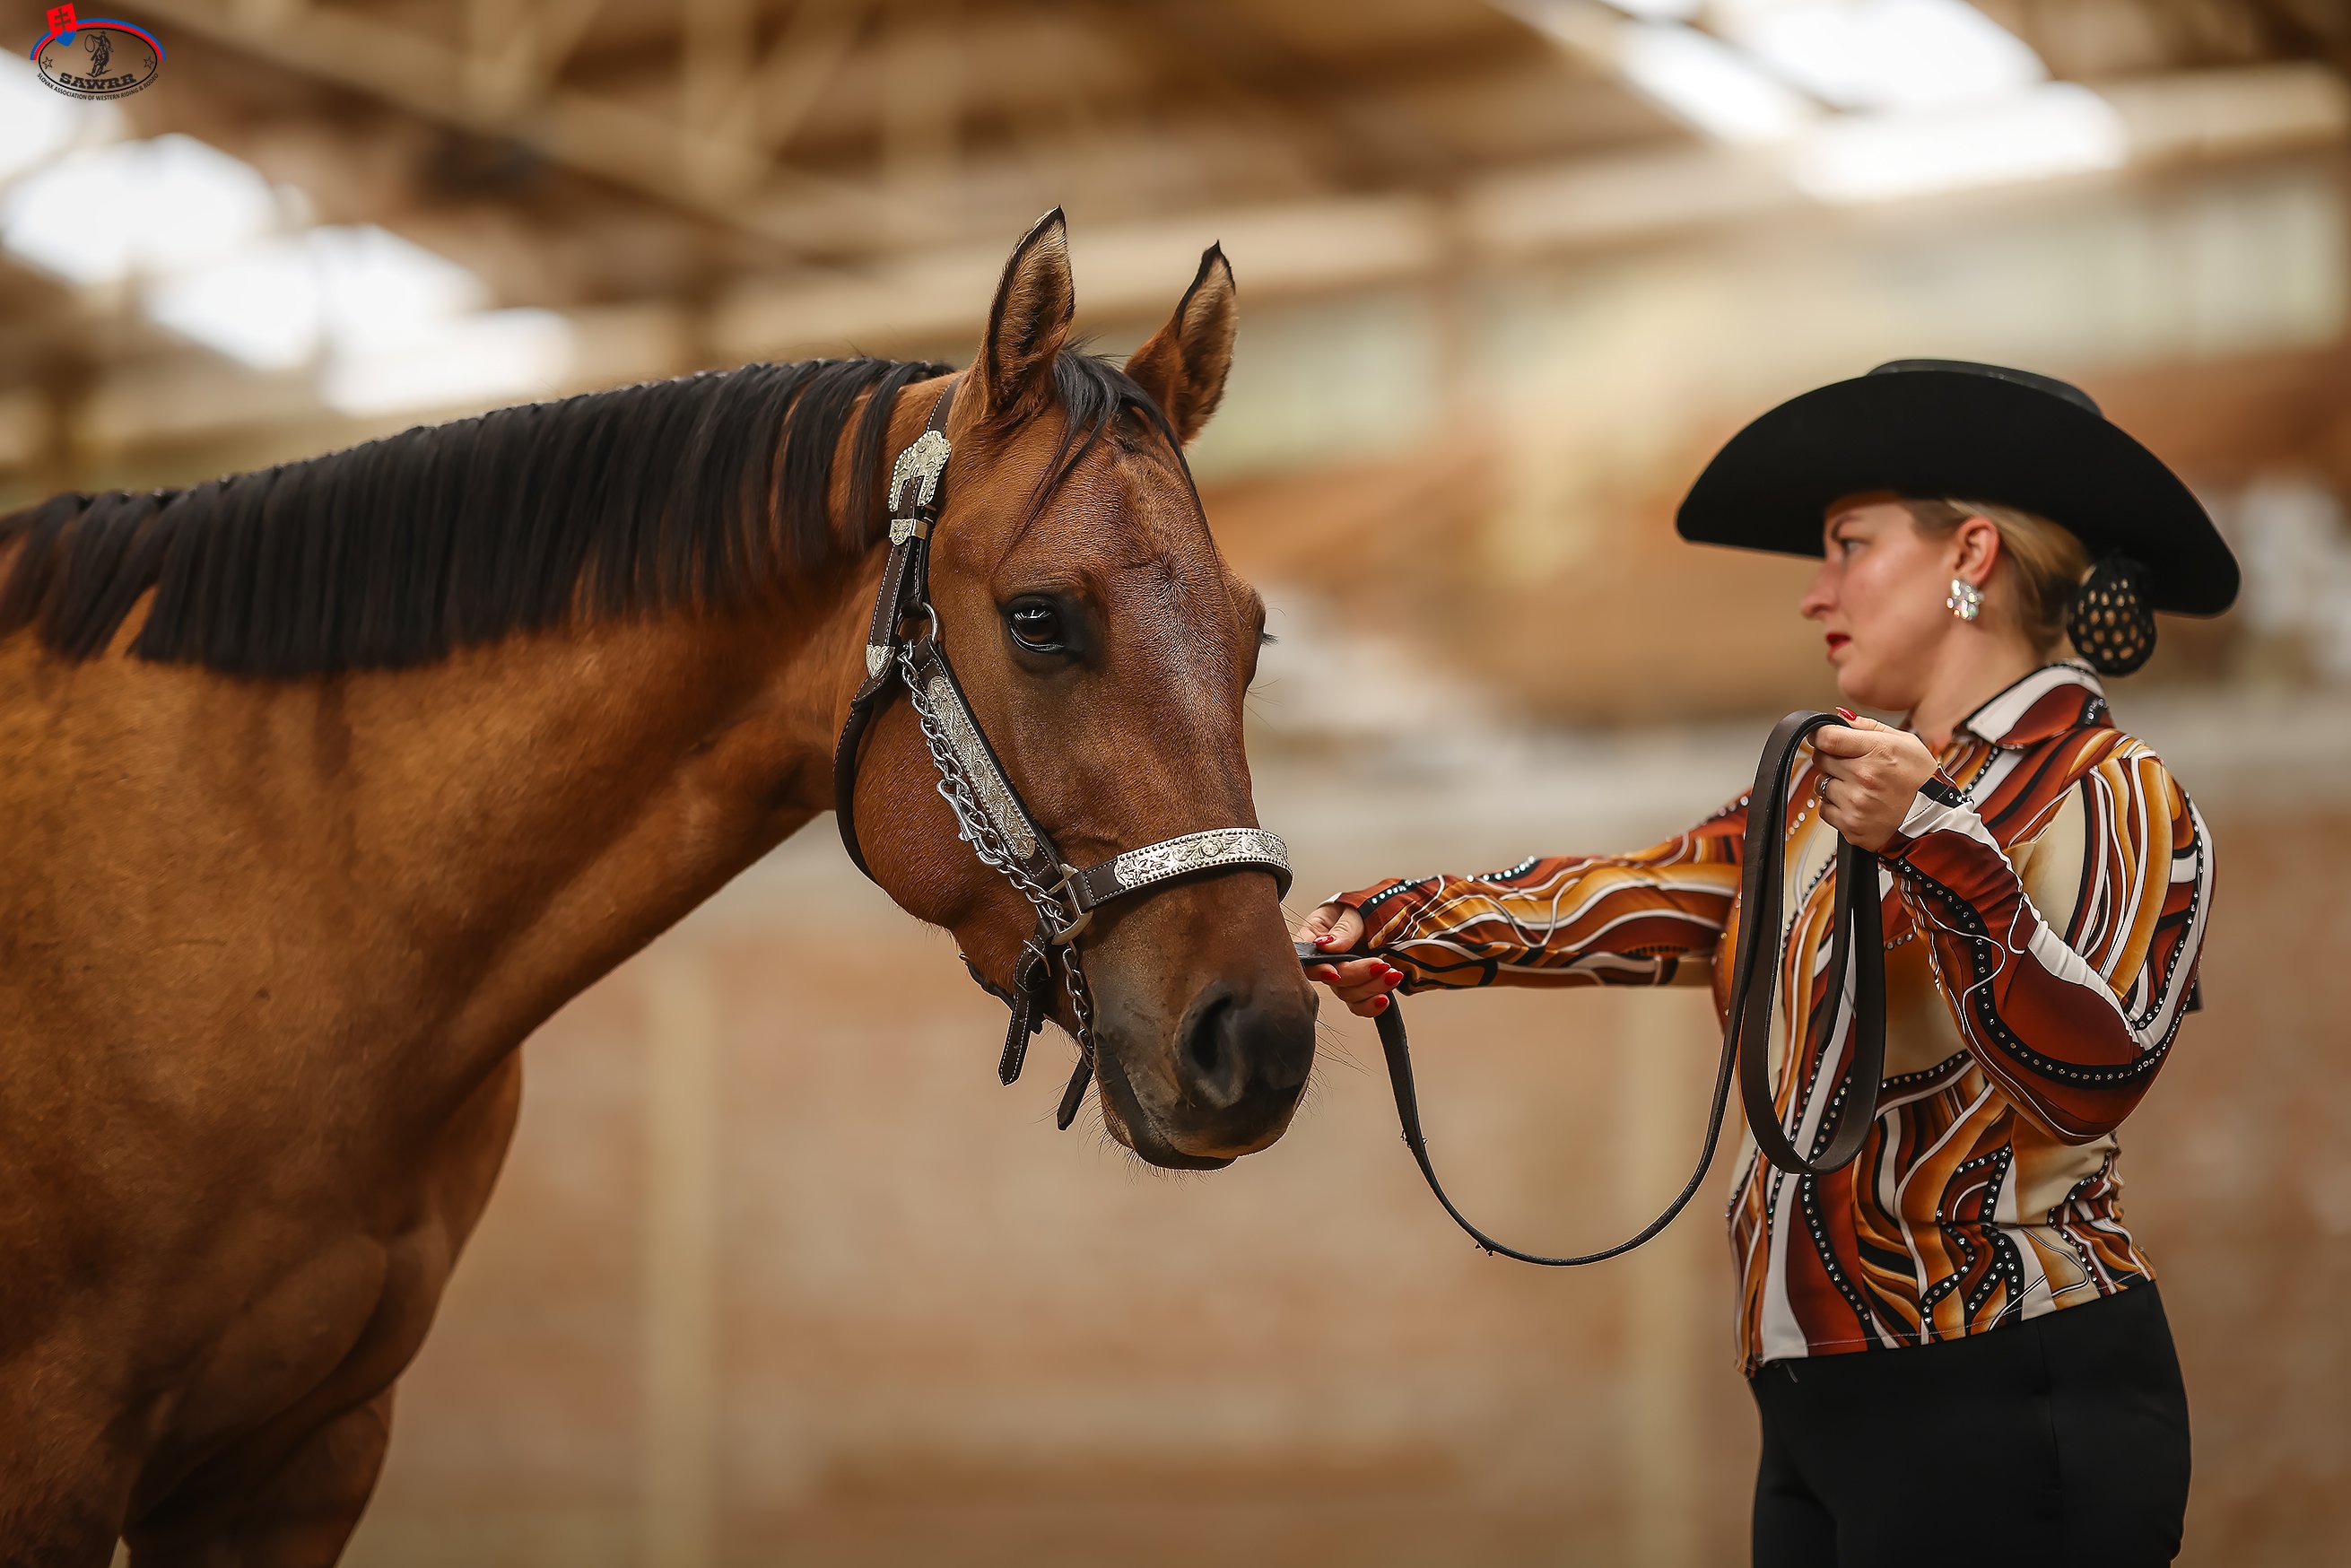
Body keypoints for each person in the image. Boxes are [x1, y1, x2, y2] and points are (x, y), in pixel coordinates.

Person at [1294, 361, 2236, 1567]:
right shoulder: (1811, 799)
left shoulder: (2113, 788)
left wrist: (1933, 841)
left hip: (2012, 1384)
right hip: (1813, 1399)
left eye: (1849, 545)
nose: (1814, 592)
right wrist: (1394, 926)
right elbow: (1638, 896)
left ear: (1971, 555)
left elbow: (2092, 1078)